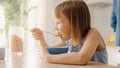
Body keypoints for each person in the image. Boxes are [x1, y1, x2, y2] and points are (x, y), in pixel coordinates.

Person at [31, 0, 108, 65]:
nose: (55, 28)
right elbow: (48, 50)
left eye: (58, 23)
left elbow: (81, 58)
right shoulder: (69, 40)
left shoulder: (93, 34)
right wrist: (41, 39)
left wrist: (48, 57)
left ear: (75, 22)